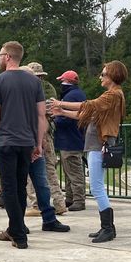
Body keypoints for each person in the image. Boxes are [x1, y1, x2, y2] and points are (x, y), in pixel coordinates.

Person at [0, 42, 56, 249]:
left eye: (0, 55)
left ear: (7, 57)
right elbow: (41, 115)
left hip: (6, 142)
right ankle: (16, 227)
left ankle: (18, 234)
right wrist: (39, 143)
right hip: (27, 142)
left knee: (9, 189)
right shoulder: (34, 83)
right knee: (20, 186)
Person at [51, 60, 129, 243]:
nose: (100, 77)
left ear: (112, 76)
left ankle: (108, 228)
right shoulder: (111, 95)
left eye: (103, 74)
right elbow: (87, 114)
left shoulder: (113, 95)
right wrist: (62, 112)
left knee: (96, 186)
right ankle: (107, 227)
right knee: (97, 186)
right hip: (96, 144)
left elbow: (89, 105)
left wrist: (60, 103)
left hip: (99, 145)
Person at [23, 62, 67, 216]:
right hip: (47, 132)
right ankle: (59, 202)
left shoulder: (29, 91)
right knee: (50, 169)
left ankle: (36, 204)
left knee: (32, 171)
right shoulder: (48, 89)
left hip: (34, 133)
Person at [54, 70, 87, 211]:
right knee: (69, 171)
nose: (61, 84)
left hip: (70, 140)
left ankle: (78, 199)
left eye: (63, 81)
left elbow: (66, 120)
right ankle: (70, 198)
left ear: (67, 82)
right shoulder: (77, 94)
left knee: (74, 171)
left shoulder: (71, 96)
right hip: (73, 139)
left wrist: (55, 118)